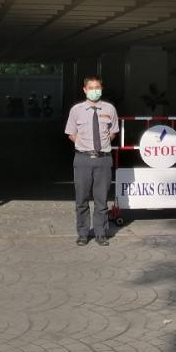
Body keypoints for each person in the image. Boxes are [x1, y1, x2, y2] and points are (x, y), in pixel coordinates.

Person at [64, 76, 120, 246]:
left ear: (101, 89)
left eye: (97, 87)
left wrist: (101, 146)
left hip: (103, 159)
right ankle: (83, 234)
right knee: (81, 199)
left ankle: (100, 233)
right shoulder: (76, 110)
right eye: (91, 88)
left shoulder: (109, 109)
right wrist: (84, 145)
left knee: (101, 200)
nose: (95, 90)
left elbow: (113, 132)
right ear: (85, 89)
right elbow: (71, 133)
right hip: (83, 159)